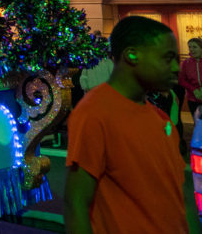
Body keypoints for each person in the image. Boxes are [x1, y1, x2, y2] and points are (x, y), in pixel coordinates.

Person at [64, 16, 187, 234]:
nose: (177, 68)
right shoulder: (94, 113)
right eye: (167, 58)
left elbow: (181, 196)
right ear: (131, 55)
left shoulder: (161, 118)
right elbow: (76, 205)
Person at [179, 36, 202, 116]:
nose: (191, 49)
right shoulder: (186, 63)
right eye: (190, 47)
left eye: (194, 47)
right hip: (192, 99)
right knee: (198, 124)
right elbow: (181, 80)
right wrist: (194, 90)